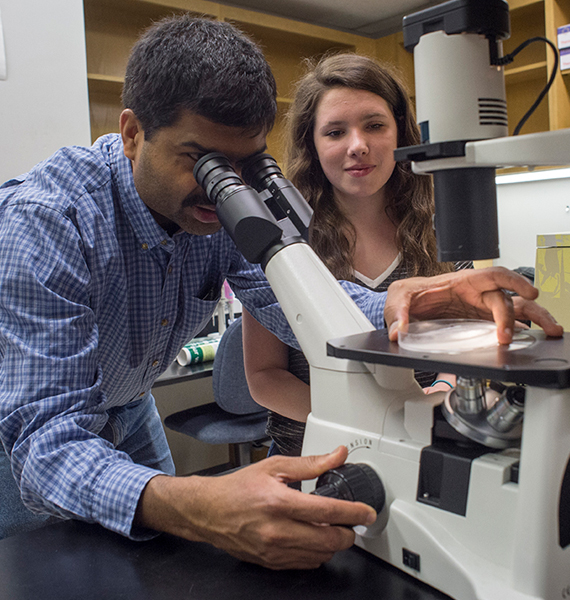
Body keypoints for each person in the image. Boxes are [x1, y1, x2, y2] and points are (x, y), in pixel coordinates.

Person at [0, 14, 561, 571]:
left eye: (242, 164)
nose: (220, 186)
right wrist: (200, 503)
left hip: (128, 401)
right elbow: (46, 442)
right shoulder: (46, 222)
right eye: (200, 160)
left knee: (153, 569)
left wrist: (414, 302)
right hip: (31, 424)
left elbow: (298, 304)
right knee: (49, 570)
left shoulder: (213, 210)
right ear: (131, 133)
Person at [243, 54, 466, 457]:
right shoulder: (282, 236)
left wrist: (446, 386)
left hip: (422, 447)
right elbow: (263, 376)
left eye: (375, 125)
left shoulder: (445, 225)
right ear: (312, 144)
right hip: (314, 454)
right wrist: (368, 418)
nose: (358, 146)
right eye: (335, 132)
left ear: (400, 132)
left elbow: (461, 342)